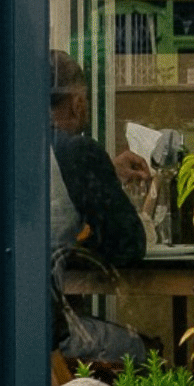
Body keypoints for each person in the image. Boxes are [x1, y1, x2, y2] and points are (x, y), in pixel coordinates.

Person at [47, 50, 147, 269]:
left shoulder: (16, 148)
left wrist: (107, 169)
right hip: (54, 295)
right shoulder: (79, 151)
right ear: (78, 105)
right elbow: (128, 243)